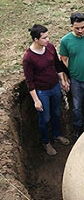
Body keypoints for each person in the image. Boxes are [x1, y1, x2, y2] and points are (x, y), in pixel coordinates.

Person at [22, 25, 70, 156]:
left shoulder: (49, 47)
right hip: (42, 92)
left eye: (47, 36)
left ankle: (57, 135)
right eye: (44, 38)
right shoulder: (28, 58)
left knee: (56, 113)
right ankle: (46, 142)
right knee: (45, 118)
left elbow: (57, 65)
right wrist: (36, 100)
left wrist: (63, 80)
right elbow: (29, 81)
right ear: (36, 39)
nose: (47, 40)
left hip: (54, 87)